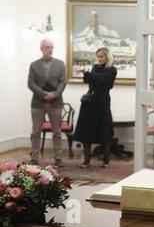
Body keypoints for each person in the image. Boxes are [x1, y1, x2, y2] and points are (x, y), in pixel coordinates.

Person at [74, 47, 117, 168]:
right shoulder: (95, 68)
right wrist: (87, 74)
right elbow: (88, 81)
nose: (99, 59)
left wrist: (88, 74)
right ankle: (87, 161)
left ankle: (106, 160)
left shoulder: (112, 70)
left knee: (105, 132)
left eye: (101, 56)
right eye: (98, 56)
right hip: (90, 103)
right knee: (86, 132)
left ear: (107, 57)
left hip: (102, 103)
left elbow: (102, 79)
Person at [28, 39, 67, 167]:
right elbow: (31, 83)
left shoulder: (60, 64)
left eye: (52, 47)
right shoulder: (33, 65)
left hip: (55, 102)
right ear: (41, 49)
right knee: (36, 132)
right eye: (47, 47)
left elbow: (63, 82)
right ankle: (35, 158)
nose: (50, 49)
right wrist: (44, 94)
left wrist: (54, 94)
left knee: (57, 131)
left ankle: (58, 158)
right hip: (38, 103)